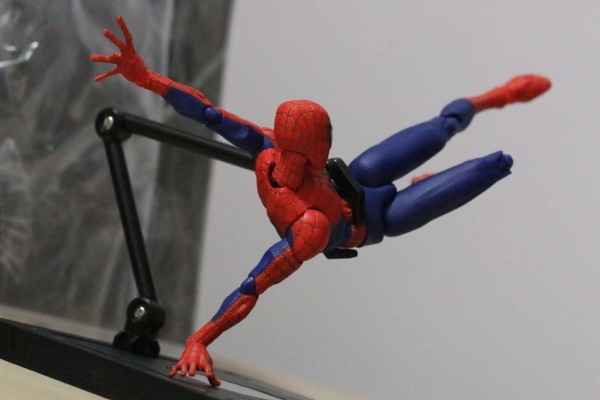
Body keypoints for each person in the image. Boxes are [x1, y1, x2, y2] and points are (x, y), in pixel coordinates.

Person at [91, 16, 550, 386]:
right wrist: (201, 339)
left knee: (444, 126)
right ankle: (435, 177)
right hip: (380, 219)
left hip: (360, 176)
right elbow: (253, 285)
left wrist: (148, 79)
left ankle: (497, 96)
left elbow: (208, 113)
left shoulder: (273, 152)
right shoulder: (297, 205)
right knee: (494, 165)